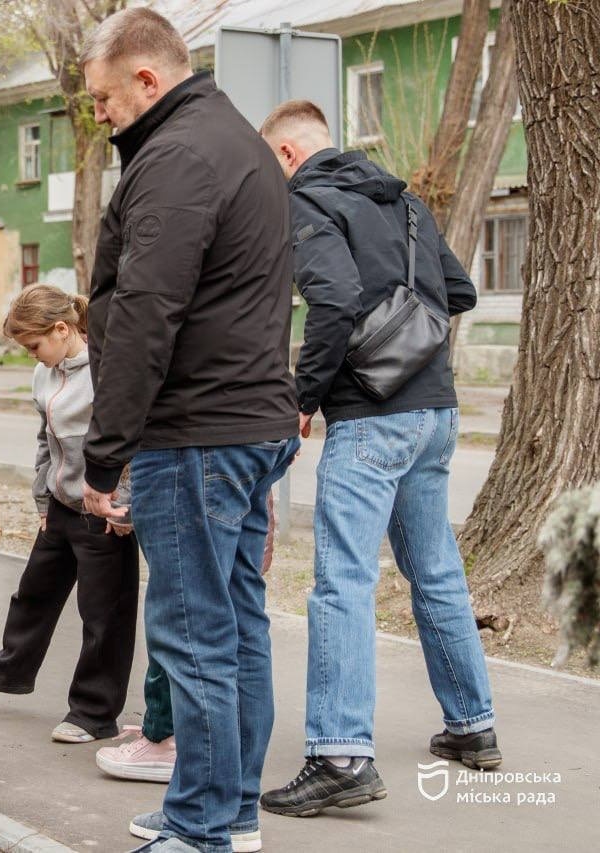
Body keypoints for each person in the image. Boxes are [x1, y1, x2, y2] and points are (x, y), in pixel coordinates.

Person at [77, 9, 298, 853]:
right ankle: (228, 811)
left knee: (196, 631)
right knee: (235, 624)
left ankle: (200, 828)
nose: (100, 115)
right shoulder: (235, 139)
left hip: (197, 430)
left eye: (104, 98)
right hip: (243, 421)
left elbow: (145, 312)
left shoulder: (177, 156)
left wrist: (106, 453)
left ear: (147, 78)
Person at [257, 100, 497, 817]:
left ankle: (340, 756)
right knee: (437, 571)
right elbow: (460, 291)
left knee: (343, 582)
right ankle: (473, 725)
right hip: (436, 411)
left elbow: (332, 300)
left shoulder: (308, 203)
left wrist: (304, 395)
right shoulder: (406, 202)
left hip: (371, 418)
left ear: (287, 154)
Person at [0, 284, 141, 745]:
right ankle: (11, 668)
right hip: (61, 506)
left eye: (34, 345)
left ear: (62, 329)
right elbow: (46, 440)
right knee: (34, 591)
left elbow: (132, 443)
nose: (32, 356)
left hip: (103, 511)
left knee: (103, 615)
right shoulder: (46, 374)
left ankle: (93, 713)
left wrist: (125, 505)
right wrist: (43, 498)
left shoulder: (106, 371)